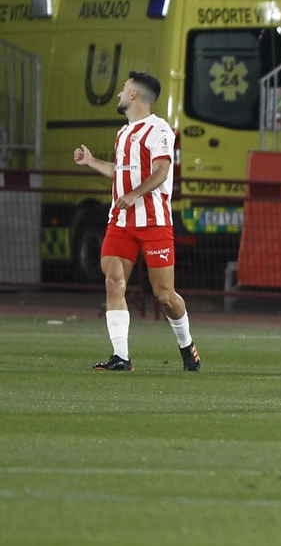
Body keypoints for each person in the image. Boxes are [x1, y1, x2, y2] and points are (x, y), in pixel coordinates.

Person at [72, 71, 199, 372]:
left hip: (154, 222)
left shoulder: (159, 130)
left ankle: (187, 345)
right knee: (114, 281)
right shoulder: (122, 133)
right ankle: (121, 357)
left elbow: (161, 171)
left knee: (164, 295)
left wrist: (133, 194)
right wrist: (91, 161)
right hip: (121, 222)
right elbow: (121, 170)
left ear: (134, 95)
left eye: (124, 88)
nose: (119, 92)